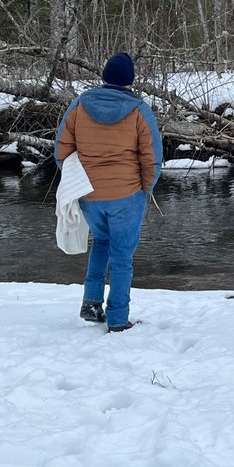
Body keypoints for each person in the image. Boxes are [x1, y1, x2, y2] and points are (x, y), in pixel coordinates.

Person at [55, 52, 162, 332]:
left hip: (89, 194)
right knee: (122, 256)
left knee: (101, 242)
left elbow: (61, 151)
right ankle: (117, 319)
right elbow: (151, 159)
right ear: (130, 80)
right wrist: (145, 189)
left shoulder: (79, 105)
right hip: (127, 195)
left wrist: (76, 181)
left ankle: (91, 304)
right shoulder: (139, 110)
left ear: (104, 76)